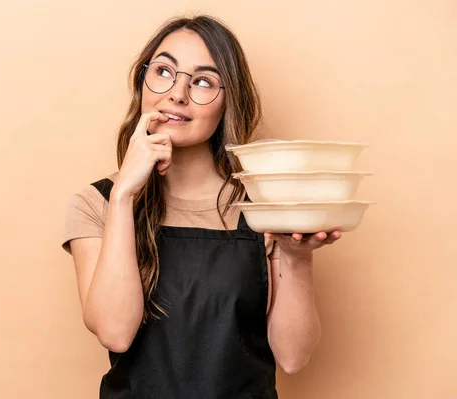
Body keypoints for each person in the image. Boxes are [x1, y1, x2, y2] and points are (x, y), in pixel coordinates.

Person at [62, 14, 341, 398]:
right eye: (163, 71)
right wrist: (125, 193)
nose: (177, 94)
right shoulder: (96, 203)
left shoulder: (265, 209)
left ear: (229, 102)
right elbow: (115, 332)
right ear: (142, 81)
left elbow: (293, 357)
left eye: (203, 81)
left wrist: (296, 256)